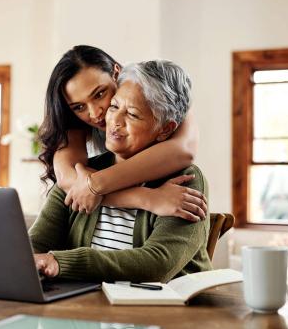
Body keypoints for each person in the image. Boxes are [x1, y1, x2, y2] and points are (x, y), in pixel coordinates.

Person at [30, 60, 212, 282]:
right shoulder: (82, 175)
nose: (113, 121)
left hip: (163, 310)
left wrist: (61, 262)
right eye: (114, 107)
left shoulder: (187, 180)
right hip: (88, 307)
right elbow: (35, 244)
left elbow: (157, 264)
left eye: (133, 115)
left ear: (165, 129)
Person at [38, 45, 206, 220]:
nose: (95, 113)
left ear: (116, 73)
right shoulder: (74, 124)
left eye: (99, 94)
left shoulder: (157, 94)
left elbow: (182, 151)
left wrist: (95, 184)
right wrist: (147, 198)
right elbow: (69, 180)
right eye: (79, 107)